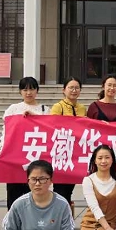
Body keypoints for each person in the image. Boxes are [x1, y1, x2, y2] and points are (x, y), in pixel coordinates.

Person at [0, 76, 48, 210]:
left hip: (36, 158)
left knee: (35, 193)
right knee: (14, 194)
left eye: (32, 89)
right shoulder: (13, 109)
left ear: (37, 90)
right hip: (15, 158)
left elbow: (49, 129)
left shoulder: (44, 110)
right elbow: (6, 132)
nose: (28, 93)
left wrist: (35, 117)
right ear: (20, 91)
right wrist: (2, 151)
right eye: (25, 89)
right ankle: (13, 219)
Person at [49, 77, 87, 208]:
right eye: (71, 87)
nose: (74, 90)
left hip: (75, 154)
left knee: (69, 189)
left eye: (77, 88)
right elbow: (51, 126)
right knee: (60, 189)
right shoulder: (58, 107)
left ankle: (65, 216)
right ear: (64, 90)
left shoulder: (82, 108)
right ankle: (58, 216)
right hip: (61, 153)